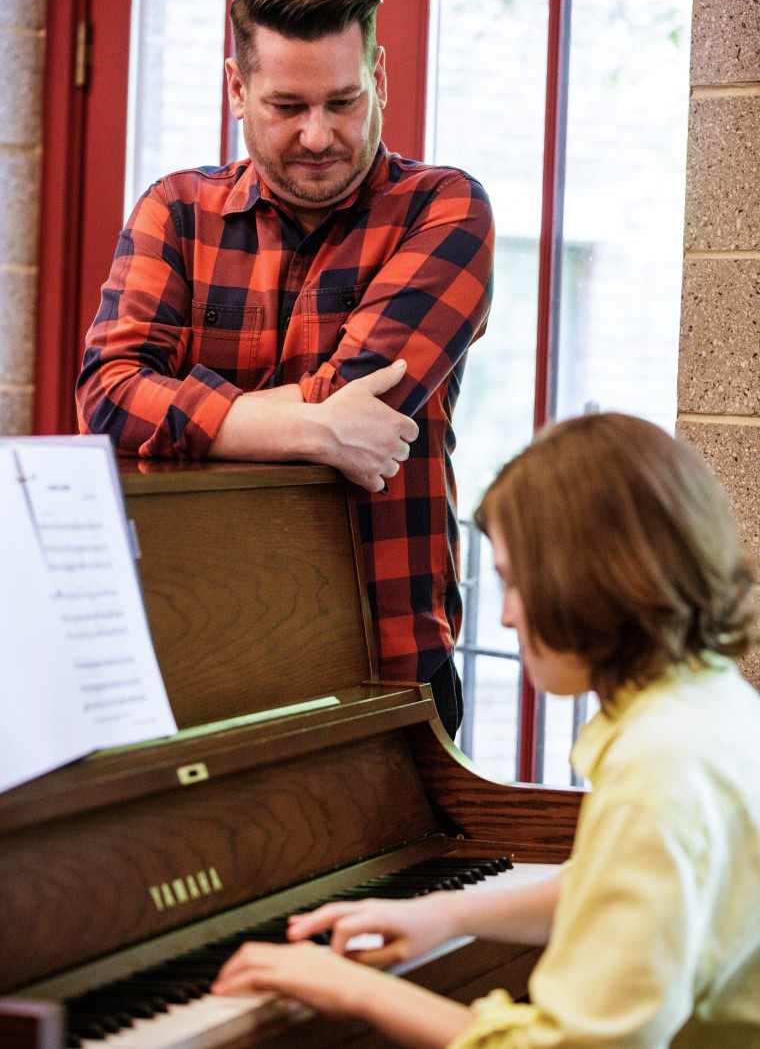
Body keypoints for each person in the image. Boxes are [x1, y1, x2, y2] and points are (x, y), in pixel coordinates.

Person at [210, 412, 760, 1048]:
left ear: (586, 579)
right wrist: (442, 912)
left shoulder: (659, 771)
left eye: (513, 582)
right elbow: (616, 902)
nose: (504, 617)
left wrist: (351, 990)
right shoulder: (710, 700)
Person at [75, 0, 494, 738]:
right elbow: (105, 398)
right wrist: (311, 427)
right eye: (286, 105)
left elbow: (366, 398)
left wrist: (189, 410)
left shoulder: (444, 208)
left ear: (380, 77)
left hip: (392, 663)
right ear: (236, 88)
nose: (319, 135)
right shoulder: (175, 210)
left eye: (344, 101)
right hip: (204, 655)